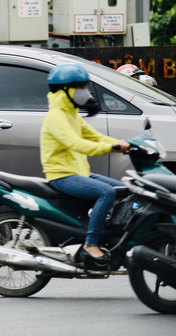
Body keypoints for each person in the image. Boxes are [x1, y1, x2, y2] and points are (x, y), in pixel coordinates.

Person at [40, 63, 130, 268]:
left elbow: (94, 136)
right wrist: (114, 147)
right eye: (80, 87)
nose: (85, 92)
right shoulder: (56, 117)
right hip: (61, 175)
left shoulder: (71, 114)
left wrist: (126, 144)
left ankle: (111, 235)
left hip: (79, 173)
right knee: (106, 193)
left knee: (124, 189)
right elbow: (77, 144)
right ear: (65, 91)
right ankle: (91, 244)